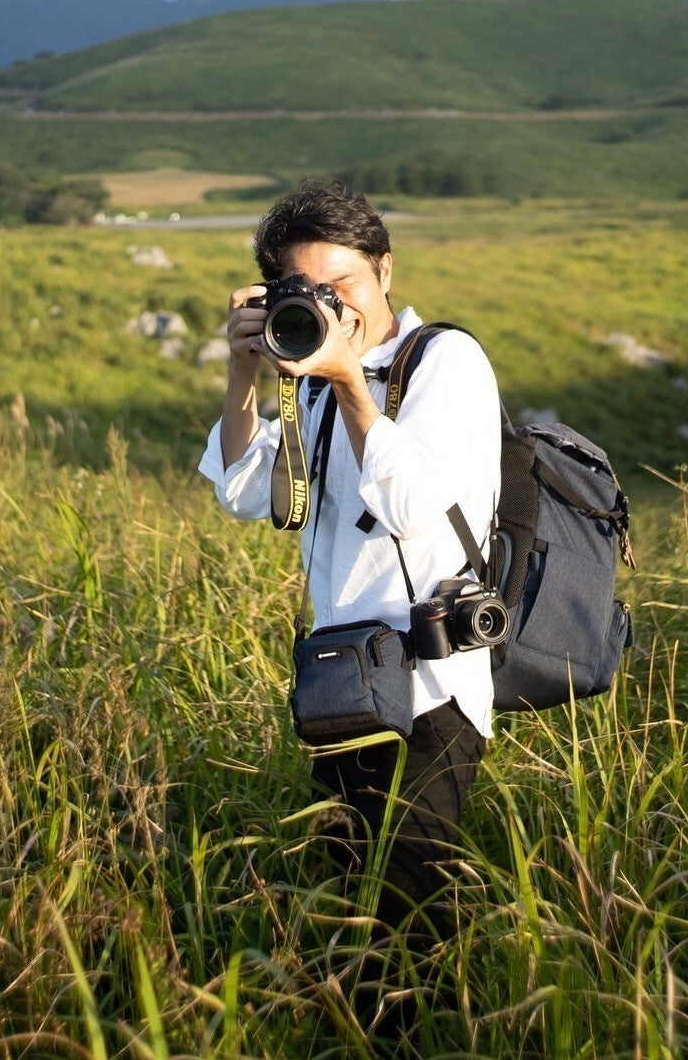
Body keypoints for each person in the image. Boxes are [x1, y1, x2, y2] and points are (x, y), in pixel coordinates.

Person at [198, 181, 501, 947]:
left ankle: (428, 1059)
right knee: (344, 904)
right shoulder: (318, 373)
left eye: (346, 285)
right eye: (309, 290)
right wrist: (244, 378)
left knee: (407, 919)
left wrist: (341, 376)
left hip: (428, 691)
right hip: (341, 685)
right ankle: (361, 1046)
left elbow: (411, 504)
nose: (335, 307)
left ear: (385, 272)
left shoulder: (443, 361)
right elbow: (244, 492)